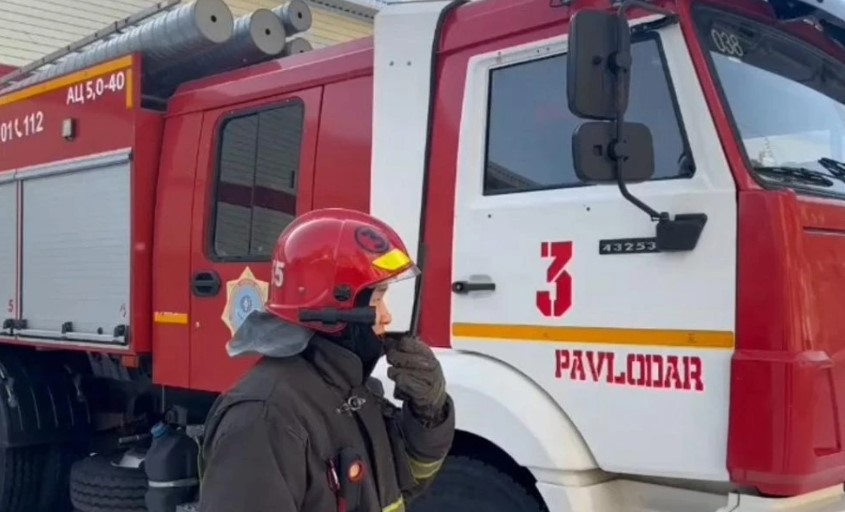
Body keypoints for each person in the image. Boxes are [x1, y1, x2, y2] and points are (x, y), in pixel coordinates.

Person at [198, 208, 455, 512]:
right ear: (333, 309)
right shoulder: (265, 418)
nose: (386, 316)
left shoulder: (354, 392)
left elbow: (404, 482)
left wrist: (429, 413)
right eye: (377, 299)